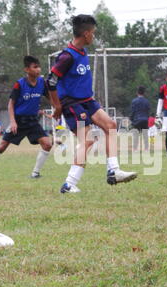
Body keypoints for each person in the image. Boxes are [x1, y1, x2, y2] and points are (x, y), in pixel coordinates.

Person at [47, 14, 137, 194]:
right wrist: (57, 106)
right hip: (72, 103)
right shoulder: (66, 57)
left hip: (88, 100)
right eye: (93, 33)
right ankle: (69, 184)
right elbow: (50, 81)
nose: (93, 37)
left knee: (111, 125)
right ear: (86, 34)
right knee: (88, 139)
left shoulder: (83, 52)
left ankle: (113, 171)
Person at [0, 56, 54, 181]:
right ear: (26, 69)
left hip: (33, 121)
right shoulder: (20, 84)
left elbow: (51, 98)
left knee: (47, 144)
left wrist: (57, 107)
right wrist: (13, 121)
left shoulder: (42, 83)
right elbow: (10, 104)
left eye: (39, 66)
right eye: (35, 67)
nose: (38, 69)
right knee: (2, 146)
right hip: (18, 121)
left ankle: (35, 174)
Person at [130, 86, 150, 151]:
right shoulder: (147, 101)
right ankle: (146, 148)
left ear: (137, 92)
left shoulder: (134, 101)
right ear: (144, 93)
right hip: (145, 120)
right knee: (145, 135)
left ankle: (135, 149)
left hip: (137, 120)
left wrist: (131, 119)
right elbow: (148, 111)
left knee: (136, 135)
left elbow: (133, 111)